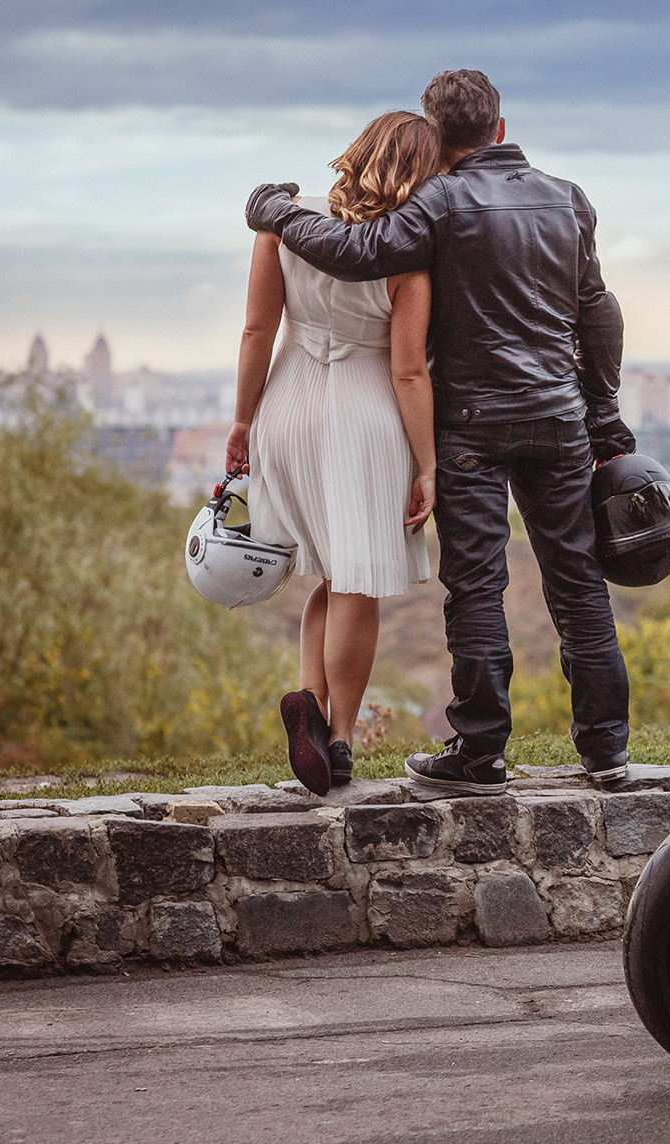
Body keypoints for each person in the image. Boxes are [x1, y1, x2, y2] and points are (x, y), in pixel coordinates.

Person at [243, 69, 635, 794]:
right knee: (579, 585)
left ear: (436, 135)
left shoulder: (439, 200)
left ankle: (480, 752)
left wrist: (275, 210)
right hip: (558, 416)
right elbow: (598, 312)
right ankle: (607, 749)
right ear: (501, 129)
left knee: (478, 587)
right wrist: (603, 414)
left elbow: (357, 253)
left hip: (473, 424)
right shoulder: (567, 198)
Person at [226, 112, 440, 796]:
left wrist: (241, 422)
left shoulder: (283, 221)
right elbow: (409, 371)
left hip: (286, 406)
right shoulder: (408, 247)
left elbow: (258, 328)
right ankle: (341, 736)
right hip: (364, 410)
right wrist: (428, 463)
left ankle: (310, 705)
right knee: (357, 578)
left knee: (325, 569)